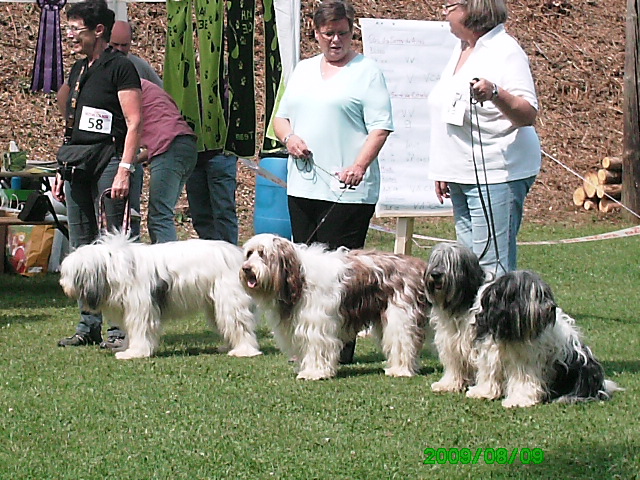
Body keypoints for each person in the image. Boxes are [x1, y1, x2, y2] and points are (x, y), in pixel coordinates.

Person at [272, 0, 393, 363]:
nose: (336, 40)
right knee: (304, 272)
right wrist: (289, 139)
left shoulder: (367, 71)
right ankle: (308, 344)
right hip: (304, 187)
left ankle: (342, 346)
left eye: (342, 33)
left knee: (342, 275)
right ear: (316, 34)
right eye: (328, 34)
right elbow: (282, 119)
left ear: (352, 31)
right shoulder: (304, 70)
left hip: (348, 191)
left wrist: (359, 166)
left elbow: (380, 128)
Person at [428, 0, 541, 278]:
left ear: (472, 9)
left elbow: (527, 114)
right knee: (469, 269)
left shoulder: (505, 51)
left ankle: (499, 319)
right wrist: (444, 167)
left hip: (497, 172)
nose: (444, 11)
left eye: (449, 5)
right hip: (460, 173)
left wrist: (495, 93)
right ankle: (476, 320)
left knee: (492, 267)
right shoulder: (463, 48)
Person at [54, 0, 142, 347]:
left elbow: (134, 122)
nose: (70, 34)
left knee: (113, 247)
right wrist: (63, 168)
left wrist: (124, 169)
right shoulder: (78, 71)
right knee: (81, 246)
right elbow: (73, 125)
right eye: (69, 28)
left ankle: (120, 330)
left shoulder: (121, 67)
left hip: (110, 161)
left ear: (98, 31)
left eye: (76, 28)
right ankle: (87, 325)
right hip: (79, 162)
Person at [136, 79, 198, 244]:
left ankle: (168, 268)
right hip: (186, 144)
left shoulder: (128, 88)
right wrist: (133, 160)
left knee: (159, 215)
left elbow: (162, 139)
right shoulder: (153, 91)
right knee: (163, 212)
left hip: (171, 148)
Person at [186, 150, 239, 245]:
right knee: (199, 214)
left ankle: (230, 255)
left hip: (222, 154)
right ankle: (210, 254)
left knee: (224, 212)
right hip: (194, 155)